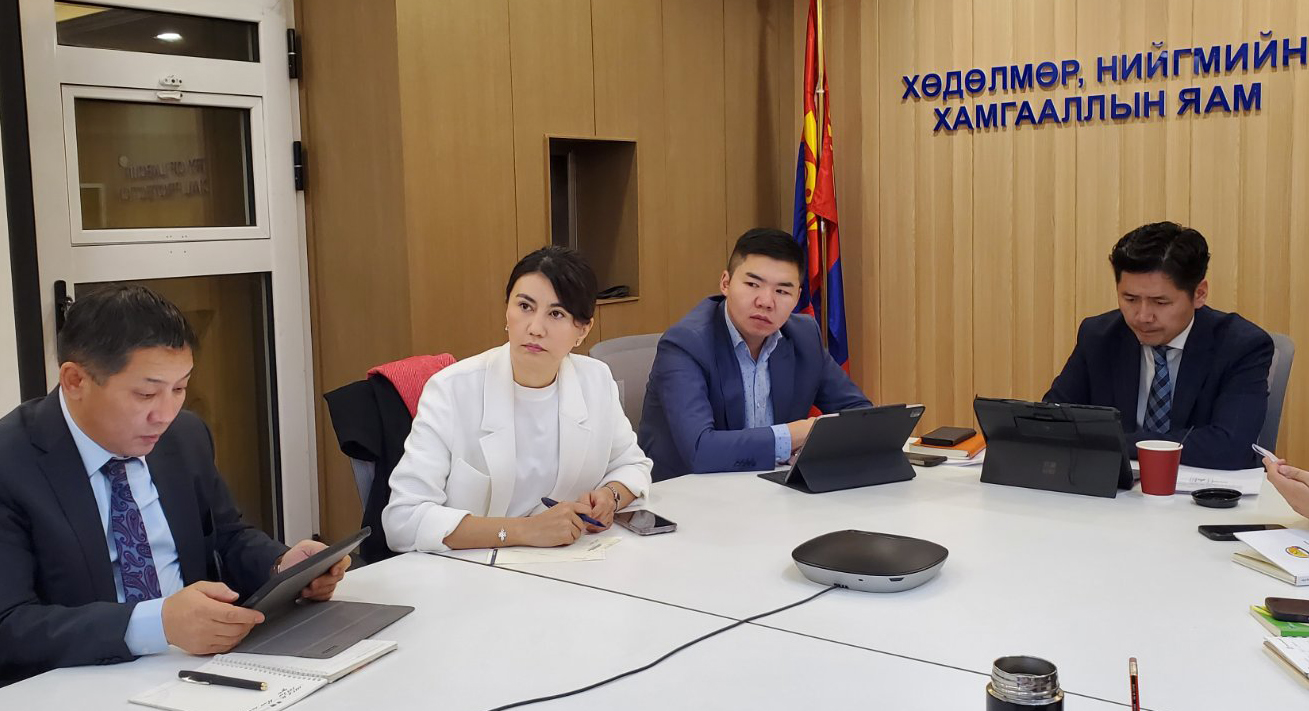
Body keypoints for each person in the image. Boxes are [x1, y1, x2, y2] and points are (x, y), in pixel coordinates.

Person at [0, 285, 348, 686]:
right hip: (81, 681)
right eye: (146, 393)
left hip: (202, 667)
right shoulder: (12, 462)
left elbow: (227, 537)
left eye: (180, 388)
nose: (165, 414)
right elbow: (10, 624)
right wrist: (157, 624)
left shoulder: (184, 436)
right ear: (75, 380)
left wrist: (284, 567)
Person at [383, 246, 652, 552]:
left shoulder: (595, 379)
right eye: (525, 306)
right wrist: (525, 531)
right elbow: (403, 521)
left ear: (583, 329)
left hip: (572, 564)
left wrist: (610, 497)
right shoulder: (451, 390)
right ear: (507, 310)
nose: (535, 328)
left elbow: (633, 465)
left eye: (556, 314)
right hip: (472, 568)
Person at [638, 228, 872, 481]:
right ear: (725, 283)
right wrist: (796, 434)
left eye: (782, 291)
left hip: (773, 488)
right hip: (690, 492)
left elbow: (860, 414)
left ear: (797, 297)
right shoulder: (685, 344)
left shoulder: (803, 336)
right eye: (752, 285)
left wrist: (810, 446)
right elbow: (700, 450)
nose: (766, 302)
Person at [1044, 221, 1273, 470]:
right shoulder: (1099, 337)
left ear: (1199, 294)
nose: (1143, 316)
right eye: (1130, 299)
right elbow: (1052, 421)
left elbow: (1230, 446)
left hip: (1201, 489)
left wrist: (1115, 442)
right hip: (1115, 488)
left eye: (1160, 302)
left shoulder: (1241, 346)